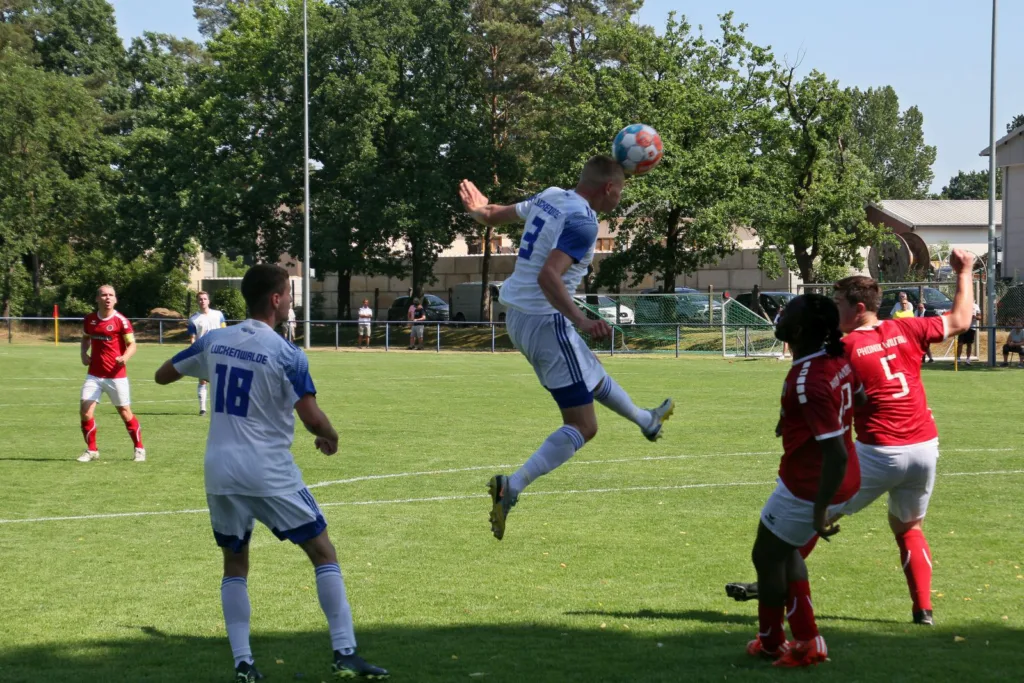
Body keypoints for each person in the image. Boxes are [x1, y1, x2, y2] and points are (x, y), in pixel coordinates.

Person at [153, 264, 388, 682]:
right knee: (322, 551)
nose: (290, 300)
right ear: (277, 299)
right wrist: (331, 436)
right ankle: (345, 653)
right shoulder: (286, 353)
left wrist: (213, 365)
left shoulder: (215, 339)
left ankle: (244, 665)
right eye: (288, 293)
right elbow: (312, 418)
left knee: (235, 563)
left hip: (219, 471)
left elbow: (163, 375)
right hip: (266, 470)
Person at [726, 250, 978, 627]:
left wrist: (788, 418)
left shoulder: (842, 348)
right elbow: (961, 319)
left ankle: (773, 579)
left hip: (878, 450)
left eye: (838, 302)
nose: (832, 309)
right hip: (925, 446)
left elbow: (820, 389)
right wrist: (966, 271)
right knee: (909, 527)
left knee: (813, 514)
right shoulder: (905, 327)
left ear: (859, 308)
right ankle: (923, 610)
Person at [459, 155, 674, 541]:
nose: (620, 199)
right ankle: (512, 486)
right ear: (608, 188)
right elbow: (548, 276)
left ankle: (647, 421)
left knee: (589, 372)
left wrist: (478, 210)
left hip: (521, 315)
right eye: (621, 190)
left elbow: (492, 216)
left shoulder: (552, 195)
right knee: (583, 426)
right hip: (546, 320)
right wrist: (582, 320)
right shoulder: (584, 221)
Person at [744, 294, 862, 668]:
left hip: (809, 485)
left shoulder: (809, 379)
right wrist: (793, 420)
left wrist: (820, 510)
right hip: (825, 477)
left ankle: (778, 643)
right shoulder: (835, 358)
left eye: (786, 313)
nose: (779, 315)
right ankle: (800, 641)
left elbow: (836, 453)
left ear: (796, 330)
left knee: (767, 556)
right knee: (785, 553)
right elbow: (857, 396)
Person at [77, 284, 146, 463]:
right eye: (104, 295)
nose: (108, 298)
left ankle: (139, 448)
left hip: (116, 376)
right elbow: (85, 338)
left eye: (111, 295)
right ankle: (92, 450)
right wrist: (84, 353)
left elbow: (132, 344)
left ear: (115, 299)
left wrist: (125, 357)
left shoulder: (121, 321)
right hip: (94, 375)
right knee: (85, 410)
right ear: (97, 298)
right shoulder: (90, 320)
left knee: (125, 412)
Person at [188, 290, 228, 415]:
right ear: (197, 301)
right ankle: (203, 409)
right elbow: (192, 338)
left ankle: (222, 407)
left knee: (221, 380)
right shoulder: (193, 319)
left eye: (205, 299)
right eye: (200, 299)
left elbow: (224, 331)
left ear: (209, 301)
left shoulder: (218, 314)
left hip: (219, 352)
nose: (202, 301)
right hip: (203, 353)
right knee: (202, 380)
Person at [956, 301, 981, 365]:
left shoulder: (976, 306)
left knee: (969, 344)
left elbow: (979, 317)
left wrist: (974, 317)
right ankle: (958, 359)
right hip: (963, 327)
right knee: (960, 343)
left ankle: (968, 360)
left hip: (972, 328)